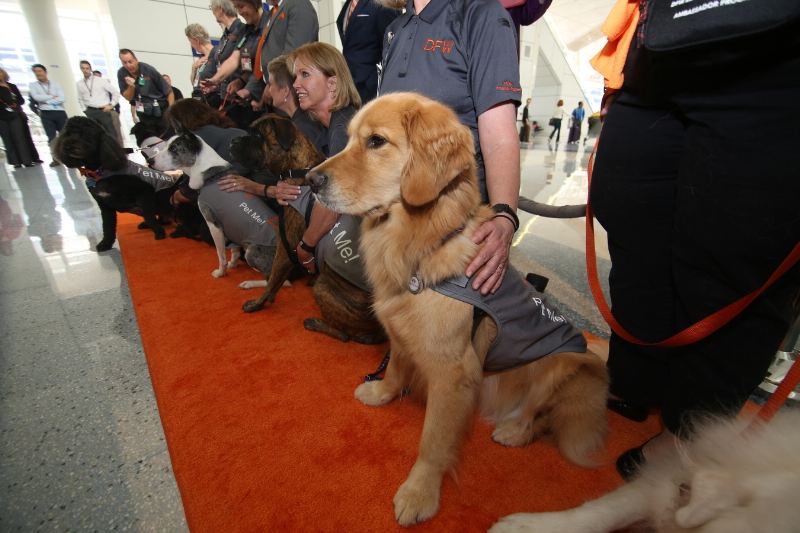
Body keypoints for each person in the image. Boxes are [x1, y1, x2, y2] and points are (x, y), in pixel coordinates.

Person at [589, 0, 800, 480]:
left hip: (775, 55)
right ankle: (636, 378)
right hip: (662, 44)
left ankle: (689, 432)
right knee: (628, 212)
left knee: (735, 252)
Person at [377, 0, 522, 295]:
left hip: (457, 226)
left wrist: (505, 215)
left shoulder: (481, 14)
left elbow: (500, 136)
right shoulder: (394, 30)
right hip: (402, 224)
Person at [220, 43, 360, 273]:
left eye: (305, 75)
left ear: (332, 83)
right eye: (296, 77)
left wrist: (305, 247)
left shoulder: (343, 129)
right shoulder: (330, 126)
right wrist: (285, 187)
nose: (295, 85)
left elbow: (333, 203)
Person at [239, 0, 319, 111]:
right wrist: (251, 89)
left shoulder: (299, 4)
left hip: (292, 96)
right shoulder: (272, 13)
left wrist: (273, 83)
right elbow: (263, 61)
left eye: (241, 6)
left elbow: (295, 54)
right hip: (277, 94)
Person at [336, 0, 401, 105]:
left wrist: (371, 86)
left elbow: (393, 50)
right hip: (351, 89)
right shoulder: (349, 4)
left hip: (372, 91)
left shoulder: (383, 2)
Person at [117, 49, 174, 134]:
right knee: (150, 137)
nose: (128, 65)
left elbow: (169, 91)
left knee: (167, 134)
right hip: (143, 111)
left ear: (136, 60)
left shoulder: (148, 70)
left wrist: (171, 112)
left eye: (130, 61)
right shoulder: (122, 73)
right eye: (125, 62)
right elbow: (128, 98)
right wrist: (131, 86)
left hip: (160, 109)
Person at [28, 64, 68, 167]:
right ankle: (55, 158)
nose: (38, 73)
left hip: (60, 112)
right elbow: (36, 97)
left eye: (40, 71)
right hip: (46, 114)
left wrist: (46, 101)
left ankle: (69, 157)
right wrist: (52, 97)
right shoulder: (33, 85)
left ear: (45, 72)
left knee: (65, 135)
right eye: (36, 71)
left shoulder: (56, 85)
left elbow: (62, 98)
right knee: (51, 137)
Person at [0, 67, 40, 168]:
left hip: (14, 114)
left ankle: (27, 160)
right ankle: (15, 161)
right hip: (1, 116)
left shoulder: (12, 86)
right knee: (7, 139)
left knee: (20, 138)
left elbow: (21, 100)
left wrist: (14, 103)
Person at [76, 60, 121, 143]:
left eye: (87, 68)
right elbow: (80, 99)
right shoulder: (79, 83)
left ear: (90, 69)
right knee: (95, 136)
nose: (85, 70)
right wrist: (84, 110)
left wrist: (111, 105)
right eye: (83, 68)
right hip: (90, 111)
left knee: (111, 135)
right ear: (80, 69)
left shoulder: (100, 80)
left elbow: (115, 93)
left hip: (103, 110)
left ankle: (116, 153)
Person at [185, 23, 218, 101]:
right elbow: (194, 83)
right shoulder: (201, 59)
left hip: (213, 98)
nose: (191, 45)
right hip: (199, 97)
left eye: (190, 41)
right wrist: (193, 68)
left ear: (196, 40)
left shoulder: (217, 54)